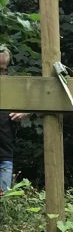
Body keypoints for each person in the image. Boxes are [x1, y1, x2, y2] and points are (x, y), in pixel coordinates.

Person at [0, 46, 28, 194]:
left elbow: (34, 101)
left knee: (4, 203)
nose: (3, 73)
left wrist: (25, 111)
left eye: (5, 69)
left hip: (5, 155)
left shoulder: (11, 85)